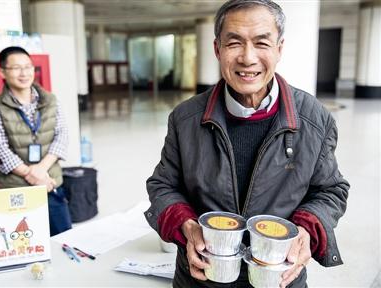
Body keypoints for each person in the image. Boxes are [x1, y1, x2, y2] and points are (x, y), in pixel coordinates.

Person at [144, 0, 349, 287]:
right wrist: (186, 226)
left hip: (279, 278)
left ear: (279, 49)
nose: (248, 58)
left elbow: (330, 190)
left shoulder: (314, 119)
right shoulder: (185, 118)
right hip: (200, 278)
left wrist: (306, 229)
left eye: (262, 43)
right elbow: (163, 185)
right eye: (234, 43)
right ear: (217, 49)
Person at [0, 46, 72, 236]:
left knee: (64, 240)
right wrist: (33, 176)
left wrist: (41, 170)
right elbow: (0, 150)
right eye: (16, 68)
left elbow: (62, 136)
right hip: (16, 192)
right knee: (24, 243)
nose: (24, 73)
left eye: (28, 66)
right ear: (2, 72)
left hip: (50, 183)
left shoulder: (51, 101)